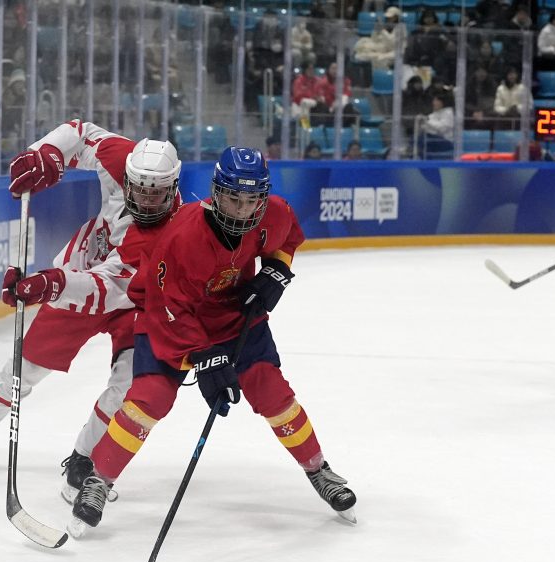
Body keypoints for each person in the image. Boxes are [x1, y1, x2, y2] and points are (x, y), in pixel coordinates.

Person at [68, 146, 357, 535]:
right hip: (166, 319)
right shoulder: (185, 235)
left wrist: (275, 272)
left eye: (251, 200)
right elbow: (167, 305)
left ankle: (318, 470)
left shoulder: (274, 212)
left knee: (273, 393)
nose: (241, 209)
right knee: (149, 400)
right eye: (233, 199)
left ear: (263, 196)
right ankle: (98, 481)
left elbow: (287, 240)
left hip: (233, 319)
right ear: (216, 193)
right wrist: (206, 359)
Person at [0, 120, 184, 506]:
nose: (146, 201)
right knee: (25, 366)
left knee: (128, 384)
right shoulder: (123, 158)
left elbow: (106, 290)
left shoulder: (168, 235)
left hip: (133, 299)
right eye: (140, 191)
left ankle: (84, 457)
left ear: (172, 189)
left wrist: (50, 283)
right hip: (83, 270)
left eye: (157, 195)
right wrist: (48, 153)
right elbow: (81, 131)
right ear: (130, 176)